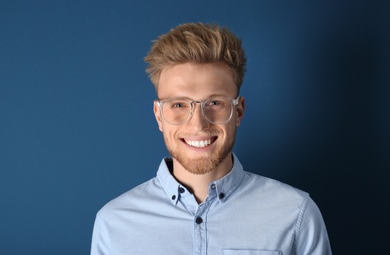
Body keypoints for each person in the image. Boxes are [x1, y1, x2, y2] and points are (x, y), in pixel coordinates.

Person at [91, 22, 332, 255]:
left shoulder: (296, 214)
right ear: (159, 115)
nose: (198, 124)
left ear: (239, 111)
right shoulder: (113, 224)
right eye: (178, 104)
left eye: (215, 103)